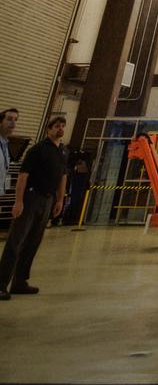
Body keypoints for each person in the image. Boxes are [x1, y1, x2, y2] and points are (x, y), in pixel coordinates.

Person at [0, 114, 67, 300]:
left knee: (33, 242)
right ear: (49, 129)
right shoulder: (38, 150)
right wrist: (18, 201)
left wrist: (60, 200)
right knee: (16, 241)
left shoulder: (63, 151)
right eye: (57, 126)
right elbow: (23, 177)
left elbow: (63, 176)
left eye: (63, 126)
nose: (60, 129)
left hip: (48, 200)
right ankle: (1, 283)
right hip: (31, 198)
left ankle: (20, 282)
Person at [0, 108, 18, 197]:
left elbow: (5, 170)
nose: (13, 123)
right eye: (9, 119)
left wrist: (5, 190)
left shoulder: (5, 145)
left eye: (15, 119)